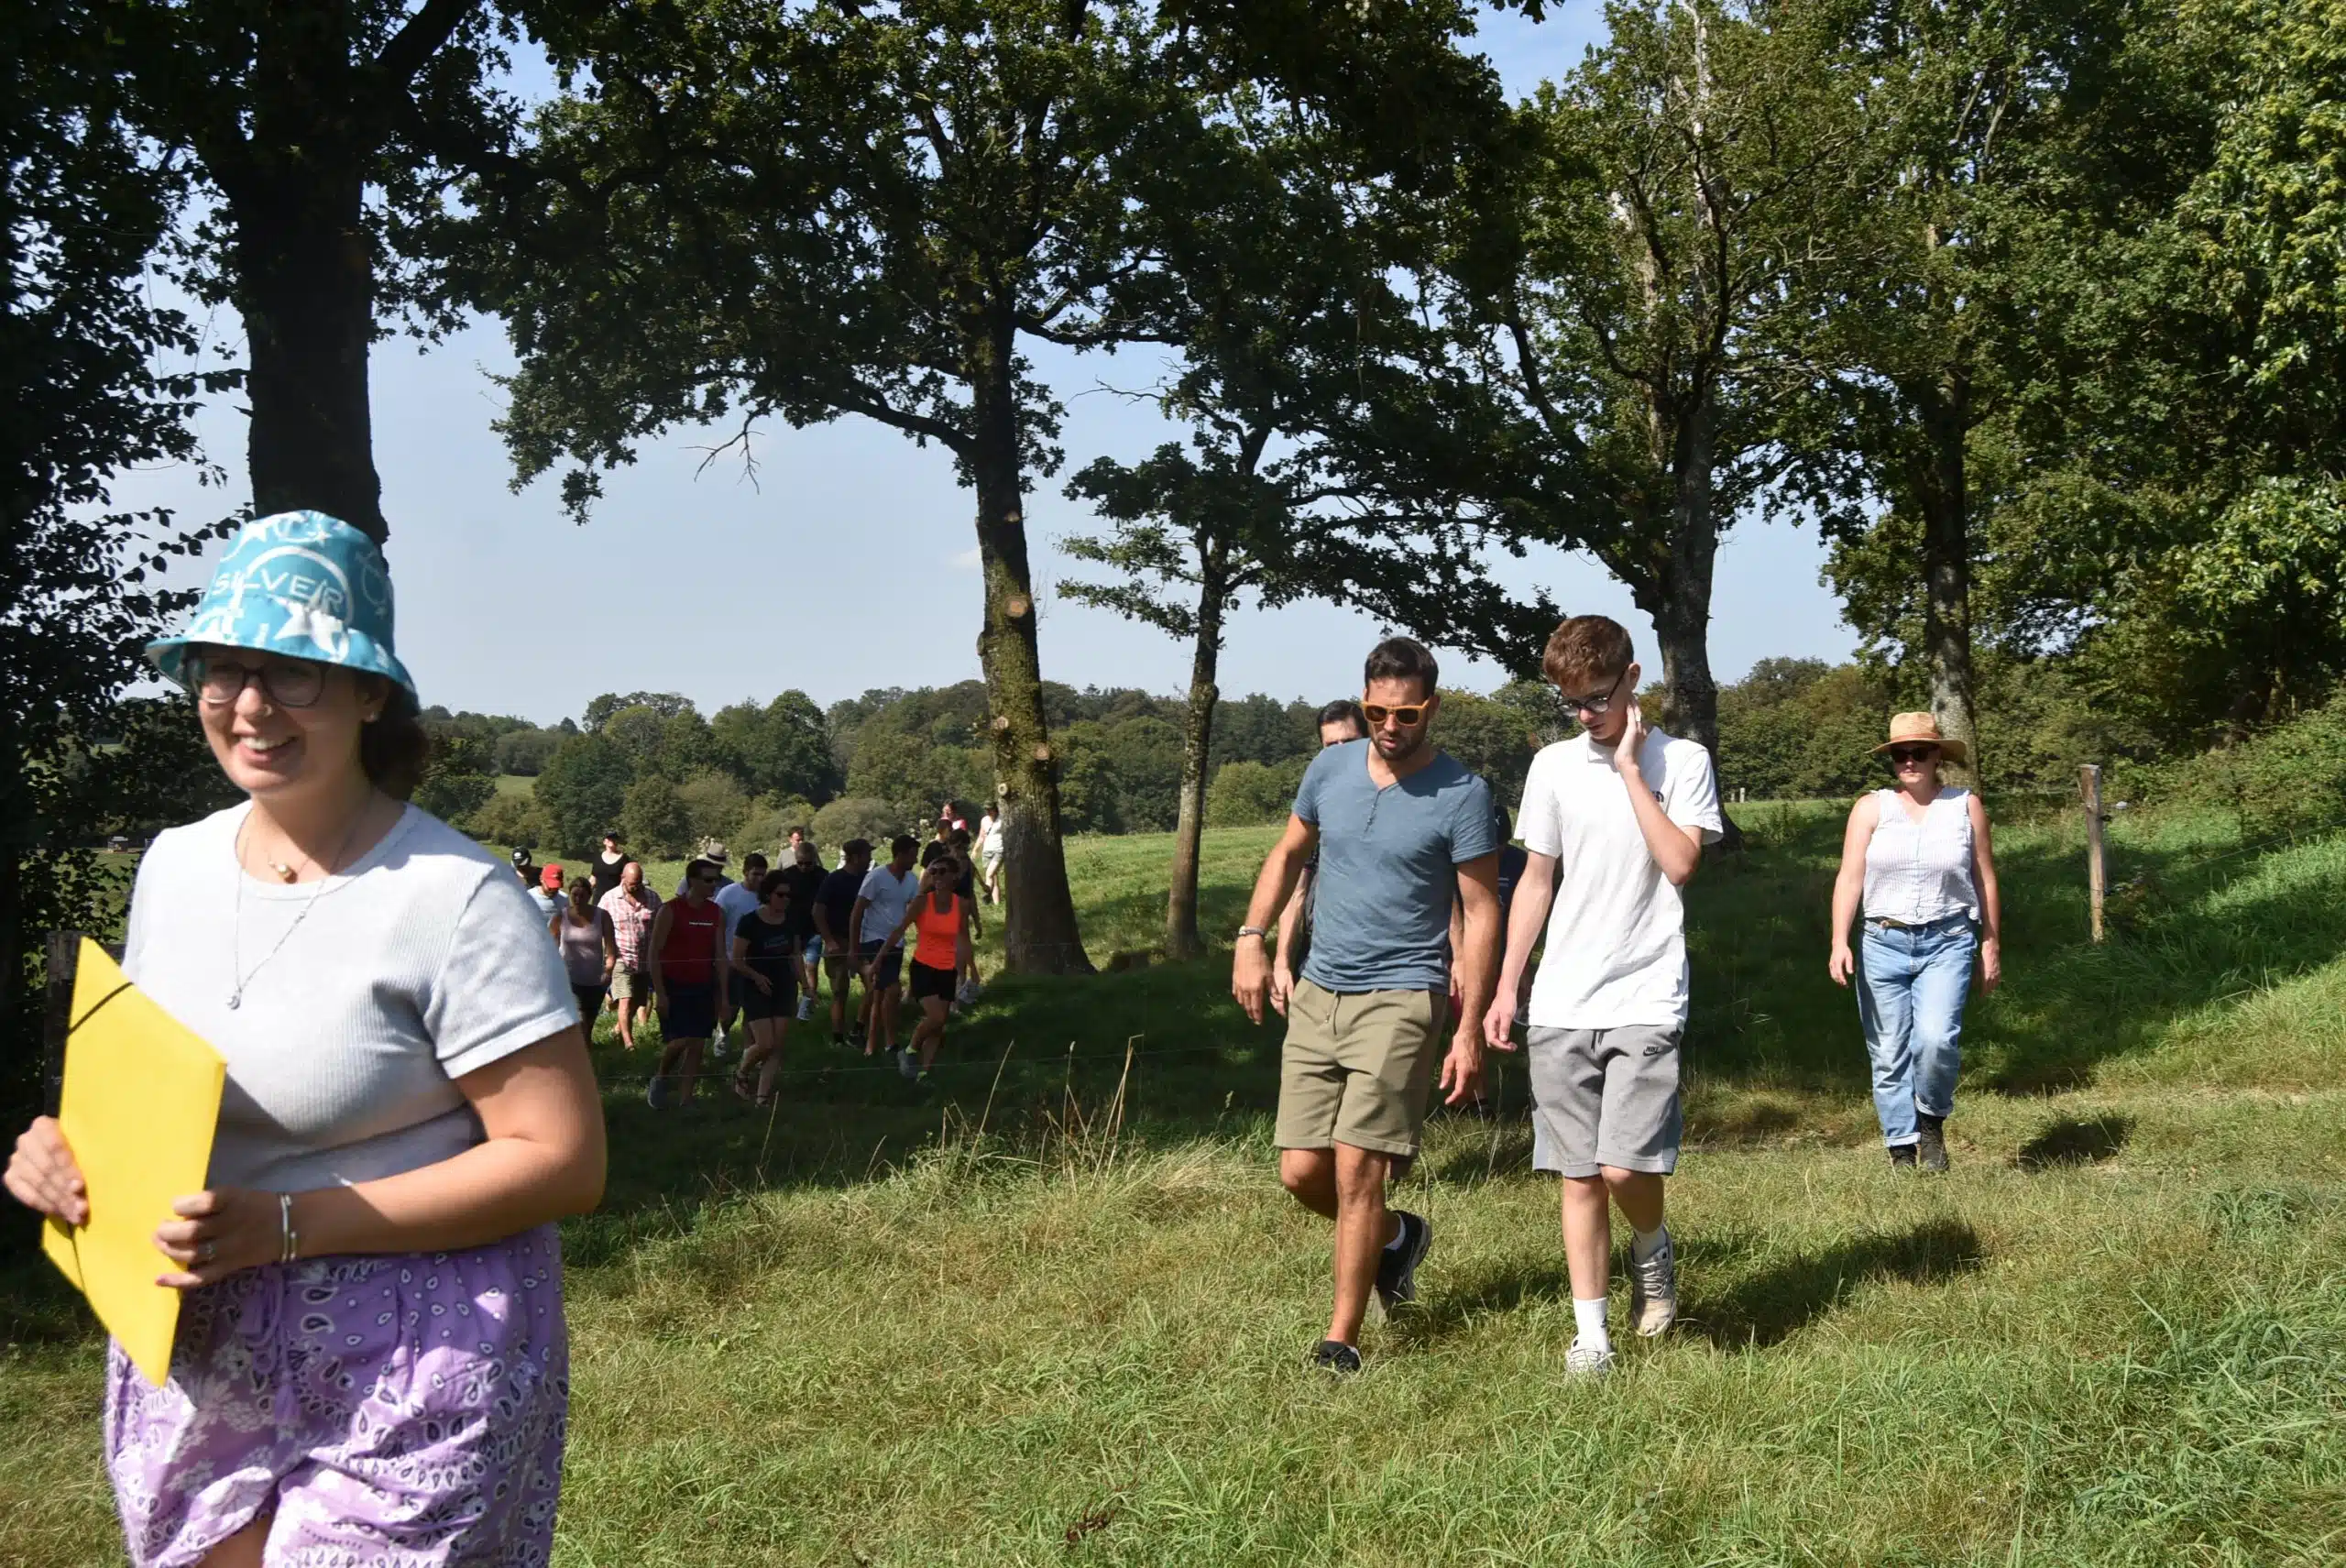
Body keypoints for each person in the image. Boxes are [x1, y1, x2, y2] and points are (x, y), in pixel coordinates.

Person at [4, 510, 605, 1566]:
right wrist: (64, 1149)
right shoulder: (171, 867)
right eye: (222, 668)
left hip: (415, 1350)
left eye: (294, 671)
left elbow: (563, 1159)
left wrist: (288, 1225)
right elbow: (146, 1084)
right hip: (193, 1337)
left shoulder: (457, 898)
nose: (249, 705)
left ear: (371, 694)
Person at [1232, 638, 1500, 1376]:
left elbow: (1481, 915)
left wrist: (1468, 1025)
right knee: (1299, 1170)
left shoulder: (1464, 794)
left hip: (1405, 994)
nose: (1390, 724)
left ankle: (1340, 1338)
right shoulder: (1330, 767)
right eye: (1378, 709)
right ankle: (1395, 1239)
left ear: (1431, 708)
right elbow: (1287, 854)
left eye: (1405, 712)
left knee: (1358, 1172)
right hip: (1321, 990)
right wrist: (1252, 937)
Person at [1484, 615, 1723, 1379]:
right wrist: (1507, 982)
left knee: (1625, 1167)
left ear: (1632, 679)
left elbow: (1681, 861)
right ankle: (1592, 1335)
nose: (1584, 715)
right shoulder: (1551, 768)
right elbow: (1536, 882)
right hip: (1562, 998)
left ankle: (1651, 1248)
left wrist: (1628, 769)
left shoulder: (1680, 760)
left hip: (1647, 989)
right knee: (1578, 1172)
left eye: (1594, 698)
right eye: (1569, 703)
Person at [1827, 712, 2002, 1171]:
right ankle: (1901, 1150)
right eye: (1900, 754)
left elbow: (1984, 879)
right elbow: (1850, 878)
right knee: (1887, 1052)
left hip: (1948, 939)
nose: (1909, 761)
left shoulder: (1965, 807)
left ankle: (1930, 1120)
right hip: (1882, 940)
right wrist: (1839, 942)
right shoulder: (1871, 808)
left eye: (1919, 752)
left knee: (1936, 1040)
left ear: (1937, 756)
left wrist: (1990, 941)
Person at [1270, 699, 1370, 1016]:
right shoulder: (1317, 808)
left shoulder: (1396, 799)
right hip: (1319, 954)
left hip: (1382, 959)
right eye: (1331, 745)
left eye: (1349, 742)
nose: (1340, 752)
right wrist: (1282, 962)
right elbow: (1295, 891)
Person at [882, 850, 974, 1083]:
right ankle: (910, 1050)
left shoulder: (961, 905)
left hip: (947, 968)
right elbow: (899, 930)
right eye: (933, 872)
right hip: (923, 967)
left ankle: (923, 1074)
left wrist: (971, 970)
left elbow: (963, 938)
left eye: (943, 872)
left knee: (940, 1023)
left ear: (955, 875)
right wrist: (878, 960)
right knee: (935, 1016)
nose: (937, 876)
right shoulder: (922, 902)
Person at [646, 858, 729, 1108]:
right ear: (692, 881)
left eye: (716, 879)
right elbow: (653, 953)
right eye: (708, 880)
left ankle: (686, 1098)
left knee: (698, 1042)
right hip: (674, 985)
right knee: (680, 1040)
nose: (714, 884)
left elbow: (720, 956)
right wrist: (660, 993)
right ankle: (661, 1077)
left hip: (703, 984)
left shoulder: (716, 913)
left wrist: (724, 996)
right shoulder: (671, 910)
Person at [729, 871, 801, 1105]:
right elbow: (737, 959)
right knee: (765, 1043)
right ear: (768, 895)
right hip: (754, 986)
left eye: (789, 896)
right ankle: (741, 1072)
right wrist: (756, 976)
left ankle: (762, 1097)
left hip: (784, 985)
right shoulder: (749, 921)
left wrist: (807, 985)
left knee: (777, 1046)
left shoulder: (791, 920)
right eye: (781, 895)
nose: (785, 899)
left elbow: (796, 954)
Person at [850, 835, 923, 1060]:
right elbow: (857, 911)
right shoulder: (877, 876)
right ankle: (889, 1042)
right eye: (912, 854)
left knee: (879, 993)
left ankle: (871, 1043)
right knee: (890, 990)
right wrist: (854, 949)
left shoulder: (911, 880)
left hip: (896, 942)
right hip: (873, 939)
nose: (916, 859)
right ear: (900, 854)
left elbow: (914, 910)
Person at [814, 839, 874, 1047]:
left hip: (864, 941)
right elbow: (818, 912)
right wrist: (829, 940)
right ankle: (838, 1038)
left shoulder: (868, 879)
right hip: (838, 942)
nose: (870, 859)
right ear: (856, 857)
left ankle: (858, 1030)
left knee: (873, 985)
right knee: (840, 992)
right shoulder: (834, 879)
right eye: (867, 855)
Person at [597, 859, 660, 1050]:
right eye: (632, 883)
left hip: (644, 959)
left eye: (639, 882)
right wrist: (606, 954)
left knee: (637, 1001)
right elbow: (598, 926)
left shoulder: (652, 898)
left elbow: (661, 924)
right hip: (621, 957)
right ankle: (629, 1044)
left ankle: (617, 1031)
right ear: (622, 878)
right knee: (625, 999)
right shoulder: (609, 899)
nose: (636, 887)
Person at [712, 850, 768, 1045]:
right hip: (732, 959)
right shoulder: (729, 894)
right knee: (732, 1007)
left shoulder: (767, 896)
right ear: (745, 872)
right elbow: (718, 925)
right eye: (755, 874)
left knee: (753, 1011)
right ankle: (722, 1032)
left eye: (763, 874)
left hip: (759, 961)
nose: (759, 879)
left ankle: (749, 1049)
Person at [553, 874, 619, 1026]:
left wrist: (608, 971)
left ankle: (586, 1048)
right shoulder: (561, 917)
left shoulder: (602, 916)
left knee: (589, 1023)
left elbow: (611, 948)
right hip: (569, 979)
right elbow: (551, 947)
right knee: (579, 1019)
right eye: (574, 895)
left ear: (589, 896)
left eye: (582, 895)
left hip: (595, 979)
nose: (578, 899)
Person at [777, 833, 827, 1023]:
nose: (804, 867)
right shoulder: (788, 875)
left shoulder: (823, 876)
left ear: (815, 860)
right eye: (801, 863)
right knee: (792, 967)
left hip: (814, 928)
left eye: (808, 863)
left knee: (811, 966)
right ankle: (790, 1002)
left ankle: (808, 1003)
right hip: (792, 927)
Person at [975, 804, 1004, 905]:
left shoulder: (1002, 819)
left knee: (989, 874)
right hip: (987, 851)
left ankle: (987, 895)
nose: (988, 811)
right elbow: (981, 836)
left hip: (999, 850)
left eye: (990, 809)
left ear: (995, 809)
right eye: (986, 809)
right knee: (993, 878)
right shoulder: (984, 820)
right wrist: (975, 849)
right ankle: (997, 903)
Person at [588, 830, 628, 901]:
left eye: (615, 838)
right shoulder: (597, 858)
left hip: (616, 900)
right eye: (609, 838)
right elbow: (593, 879)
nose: (612, 840)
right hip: (598, 900)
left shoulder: (624, 858)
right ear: (604, 841)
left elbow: (627, 880)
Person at [529, 861, 566, 925]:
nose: (553, 890)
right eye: (550, 886)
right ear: (541, 879)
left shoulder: (564, 899)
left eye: (556, 886)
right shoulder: (529, 896)